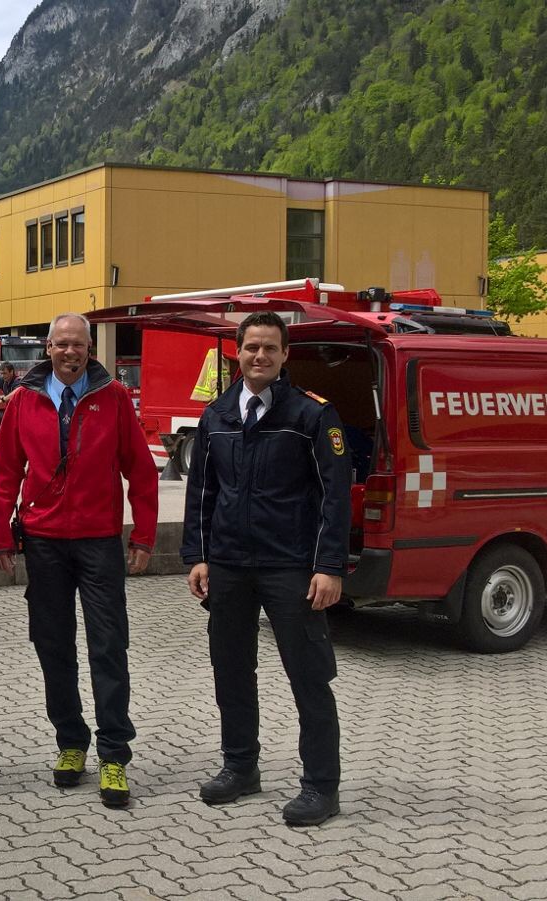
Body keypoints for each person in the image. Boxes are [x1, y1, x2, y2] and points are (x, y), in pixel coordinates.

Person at [182, 310, 351, 828]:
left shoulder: (312, 415)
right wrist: (198, 555)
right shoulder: (217, 415)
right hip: (229, 565)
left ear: (285, 354)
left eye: (270, 348)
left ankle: (321, 786)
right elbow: (202, 491)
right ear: (238, 352)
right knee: (231, 671)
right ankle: (240, 767)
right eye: (252, 347)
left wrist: (328, 566)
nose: (260, 356)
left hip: (290, 567)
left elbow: (335, 497)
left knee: (308, 677)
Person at [0, 312, 156, 808]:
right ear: (48, 347)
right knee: (52, 646)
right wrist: (0, 536)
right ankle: (71, 742)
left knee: (109, 647)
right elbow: (4, 471)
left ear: (89, 349)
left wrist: (144, 535)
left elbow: (141, 469)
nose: (69, 352)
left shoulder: (113, 397)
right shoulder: (24, 399)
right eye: (61, 344)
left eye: (78, 344)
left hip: (99, 541)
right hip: (43, 542)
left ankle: (113, 754)